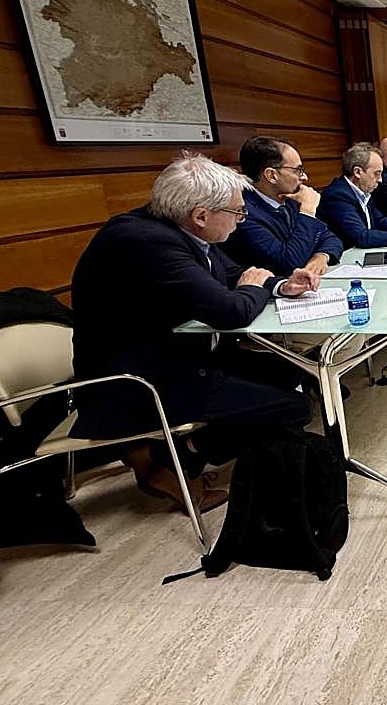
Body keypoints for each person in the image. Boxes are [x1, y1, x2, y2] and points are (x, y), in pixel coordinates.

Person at [70, 153, 317, 512]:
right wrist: (255, 286)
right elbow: (231, 310)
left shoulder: (177, 226)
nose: (241, 219)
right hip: (138, 382)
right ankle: (180, 459)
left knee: (293, 372)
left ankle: (174, 455)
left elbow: (236, 274)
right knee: (294, 407)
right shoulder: (145, 241)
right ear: (201, 215)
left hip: (180, 355)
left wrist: (281, 285)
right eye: (237, 212)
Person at [224, 135, 342, 276]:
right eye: (297, 170)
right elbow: (288, 264)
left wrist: (321, 256)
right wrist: (307, 213)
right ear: (272, 175)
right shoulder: (242, 214)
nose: (304, 177)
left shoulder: (290, 198)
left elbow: (330, 238)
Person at [318, 143, 387, 249]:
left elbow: (379, 220)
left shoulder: (363, 191)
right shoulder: (338, 195)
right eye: (376, 173)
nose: (380, 180)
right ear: (357, 172)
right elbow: (361, 236)